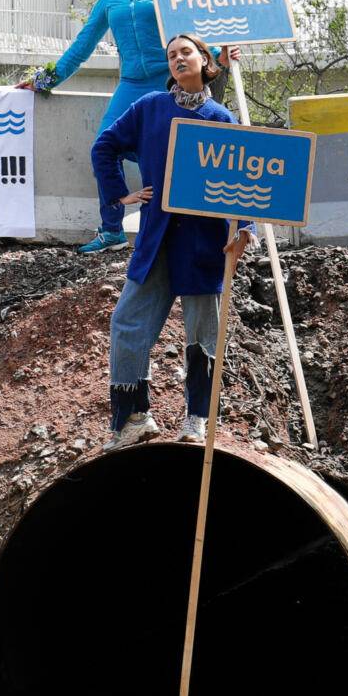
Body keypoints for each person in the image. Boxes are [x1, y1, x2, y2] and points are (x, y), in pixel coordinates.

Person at [23, 0, 235, 254]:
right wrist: (45, 80)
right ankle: (112, 230)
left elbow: (192, 35)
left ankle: (185, 226)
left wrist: (219, 58)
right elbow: (82, 46)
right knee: (103, 148)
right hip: (131, 85)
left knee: (176, 154)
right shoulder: (111, 0)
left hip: (168, 84)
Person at [93, 33, 255, 447]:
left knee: (202, 333)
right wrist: (119, 195)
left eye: (186, 52)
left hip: (204, 242)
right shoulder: (149, 109)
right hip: (156, 237)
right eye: (171, 55)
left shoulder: (221, 118)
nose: (178, 59)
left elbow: (243, 179)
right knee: (126, 322)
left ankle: (197, 419)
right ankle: (133, 417)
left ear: (205, 61)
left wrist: (245, 229)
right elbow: (104, 147)